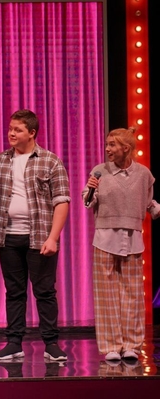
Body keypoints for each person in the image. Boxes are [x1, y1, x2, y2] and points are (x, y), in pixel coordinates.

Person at [0, 109, 70, 362]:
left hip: (39, 237)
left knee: (45, 292)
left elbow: (62, 201)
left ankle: (51, 344)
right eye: (10, 129)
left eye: (17, 130)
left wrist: (53, 237)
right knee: (14, 291)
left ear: (32, 133)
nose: (11, 133)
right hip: (7, 237)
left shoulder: (50, 161)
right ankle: (14, 343)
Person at [82, 127, 156, 362]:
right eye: (107, 144)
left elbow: (148, 202)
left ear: (126, 148)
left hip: (132, 239)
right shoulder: (99, 172)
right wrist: (91, 188)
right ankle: (111, 345)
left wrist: (155, 209)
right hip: (105, 239)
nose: (107, 149)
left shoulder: (143, 174)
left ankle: (132, 345)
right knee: (107, 295)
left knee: (132, 294)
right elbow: (88, 200)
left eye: (112, 144)